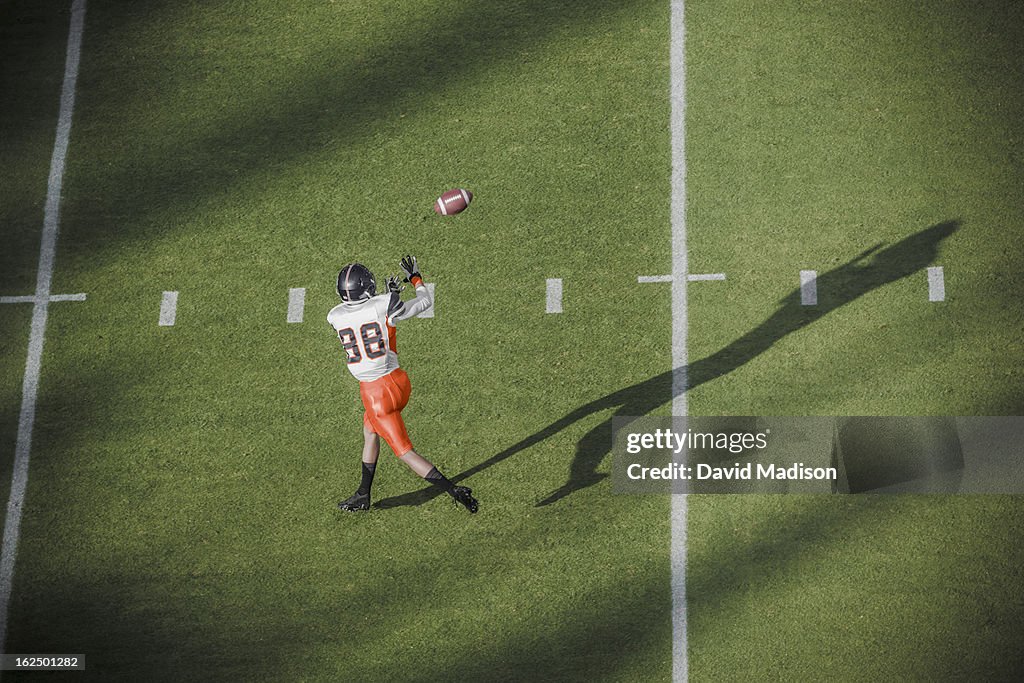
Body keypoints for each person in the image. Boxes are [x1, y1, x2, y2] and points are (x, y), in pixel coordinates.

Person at [328, 255, 478, 513]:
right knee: (369, 431)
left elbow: (364, 320)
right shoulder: (385, 304)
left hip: (376, 394)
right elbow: (422, 302)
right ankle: (362, 494)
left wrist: (387, 301)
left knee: (404, 451)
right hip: (398, 382)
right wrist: (414, 279)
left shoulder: (334, 316)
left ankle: (453, 490)